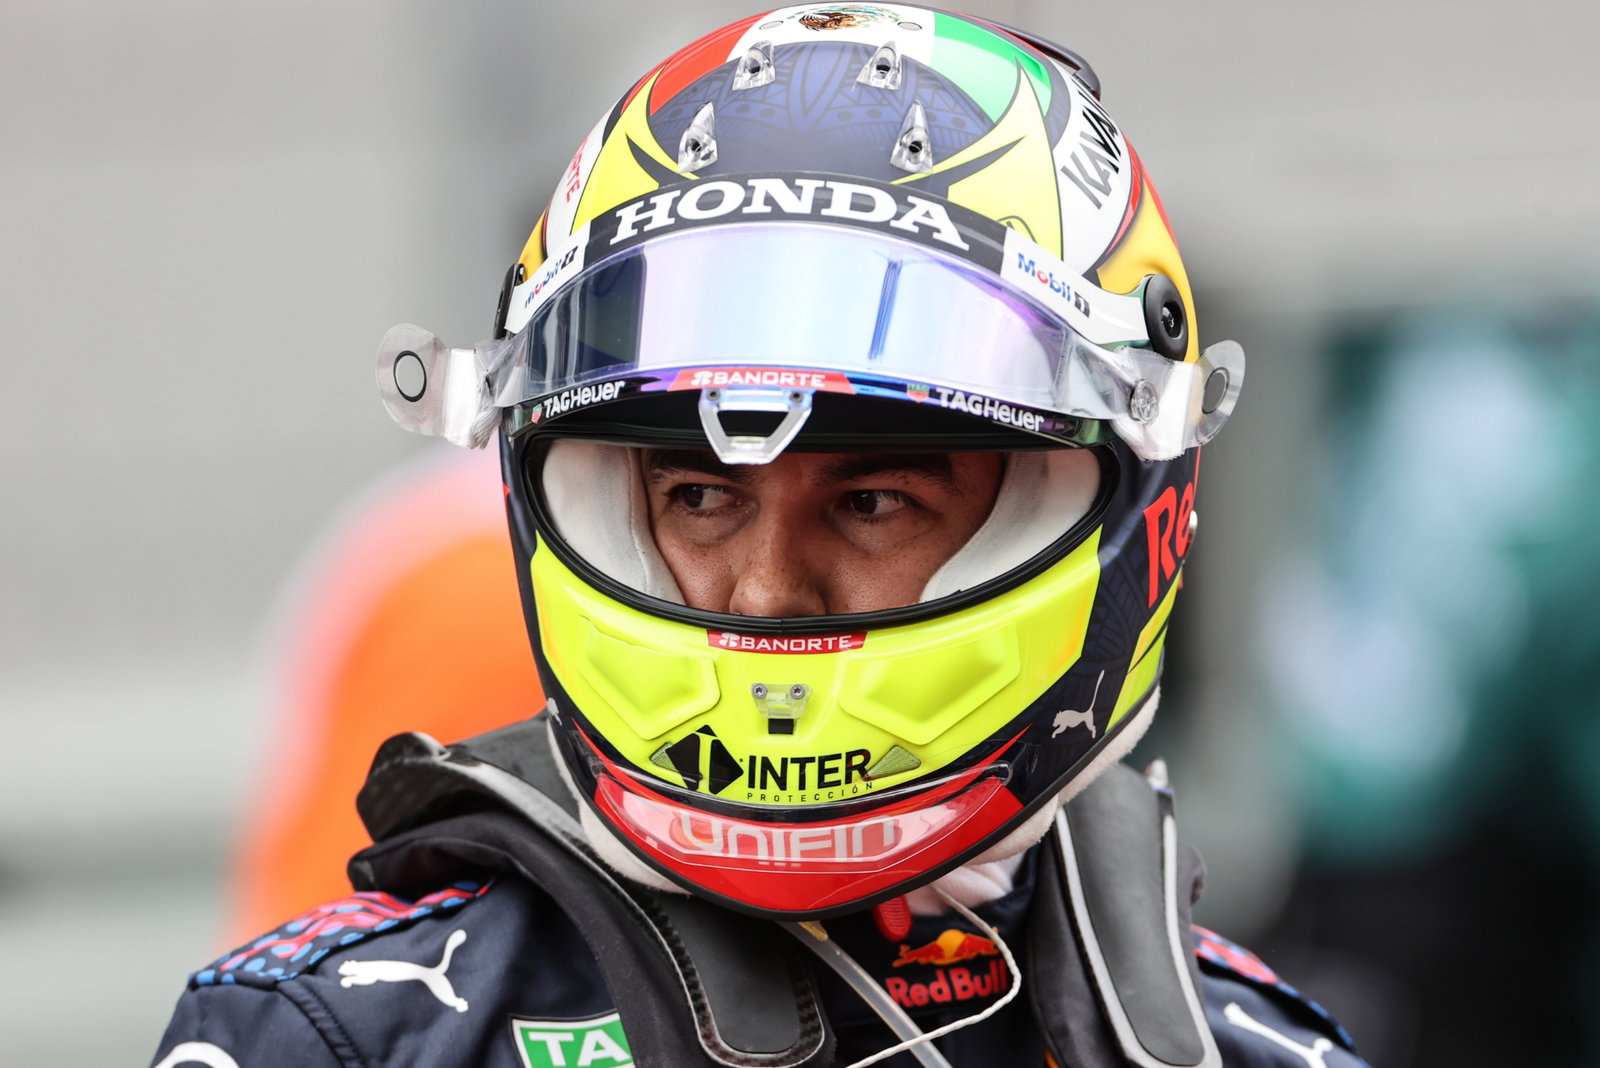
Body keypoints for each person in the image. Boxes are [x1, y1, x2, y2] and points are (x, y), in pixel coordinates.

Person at [150, 8, 1366, 1067]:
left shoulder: (1249, 1049)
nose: (767, 590)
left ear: (1111, 514)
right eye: (698, 497)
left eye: (872, 501)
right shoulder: (344, 1040)